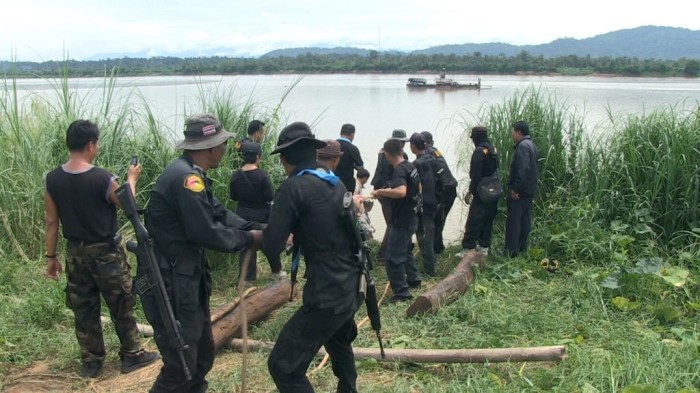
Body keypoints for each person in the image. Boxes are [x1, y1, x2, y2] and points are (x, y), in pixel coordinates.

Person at [143, 113, 265, 392]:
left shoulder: (192, 174)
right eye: (222, 144)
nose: (224, 149)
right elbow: (206, 231)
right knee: (181, 366)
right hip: (170, 283)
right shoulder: (186, 180)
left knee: (201, 356)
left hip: (186, 281)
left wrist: (260, 229)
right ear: (209, 147)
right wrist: (249, 239)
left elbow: (221, 215)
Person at [43, 119, 159, 378]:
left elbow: (51, 222)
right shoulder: (103, 178)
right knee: (121, 303)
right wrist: (131, 178)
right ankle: (132, 354)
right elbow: (128, 205)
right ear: (91, 145)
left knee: (83, 309)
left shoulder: (52, 179)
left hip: (75, 253)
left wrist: (51, 257)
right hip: (106, 253)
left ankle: (92, 362)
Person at [263, 122, 363, 392]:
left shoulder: (293, 188)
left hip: (327, 294)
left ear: (284, 158)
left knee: (283, 365)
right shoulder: (334, 183)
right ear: (313, 152)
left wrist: (251, 236)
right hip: (353, 285)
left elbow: (272, 244)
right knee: (338, 343)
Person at [371, 138, 422, 302]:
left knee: (393, 257)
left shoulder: (399, 170)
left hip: (402, 220)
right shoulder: (410, 166)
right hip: (412, 216)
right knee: (405, 250)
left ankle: (402, 293)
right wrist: (388, 189)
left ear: (387, 154)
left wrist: (381, 191)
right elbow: (418, 188)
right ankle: (414, 279)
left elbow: (401, 192)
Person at [229, 141, 275, 284]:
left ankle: (246, 278)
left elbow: (233, 196)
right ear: (257, 157)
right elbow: (270, 196)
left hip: (242, 215)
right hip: (262, 215)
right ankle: (276, 271)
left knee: (246, 245)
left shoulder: (236, 176)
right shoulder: (263, 175)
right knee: (268, 242)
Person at [457, 126, 499, 258]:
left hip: (482, 191)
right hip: (494, 190)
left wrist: (471, 191)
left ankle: (468, 248)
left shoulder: (479, 151)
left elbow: (475, 175)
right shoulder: (492, 148)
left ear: (475, 137)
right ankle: (484, 247)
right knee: (488, 219)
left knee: (474, 219)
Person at [370, 129, 409, 260]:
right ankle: (382, 254)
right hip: (386, 191)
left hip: (382, 189)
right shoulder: (394, 156)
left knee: (391, 222)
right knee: (393, 223)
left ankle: (393, 249)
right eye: (402, 142)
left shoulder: (383, 152)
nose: (404, 145)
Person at [506, 120, 539, 257]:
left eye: (513, 132)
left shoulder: (522, 147)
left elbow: (523, 169)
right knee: (525, 220)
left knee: (514, 221)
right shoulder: (531, 145)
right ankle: (522, 248)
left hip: (521, 191)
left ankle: (511, 251)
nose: (512, 134)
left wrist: (515, 188)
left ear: (519, 132)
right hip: (529, 189)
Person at [421, 130, 458, 254]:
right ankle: (438, 246)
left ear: (424, 143)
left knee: (437, 220)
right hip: (450, 188)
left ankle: (437, 249)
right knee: (439, 220)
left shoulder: (427, 154)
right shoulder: (436, 151)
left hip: (445, 191)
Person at [409, 132, 438, 276]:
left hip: (423, 205)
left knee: (424, 237)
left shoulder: (417, 164)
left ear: (413, 147)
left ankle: (429, 271)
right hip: (434, 202)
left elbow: (416, 187)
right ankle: (430, 265)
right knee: (429, 234)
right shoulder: (433, 159)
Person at [336, 123, 364, 193]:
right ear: (352, 134)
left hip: (331, 183)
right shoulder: (353, 148)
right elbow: (360, 167)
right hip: (346, 185)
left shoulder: (332, 145)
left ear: (340, 133)